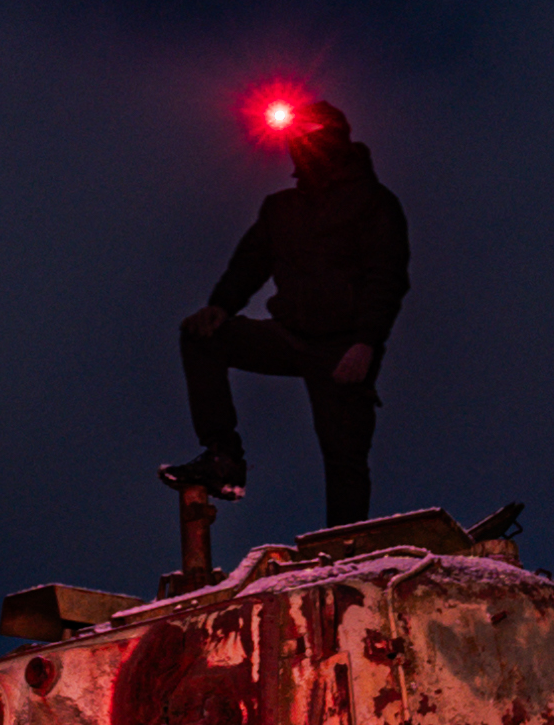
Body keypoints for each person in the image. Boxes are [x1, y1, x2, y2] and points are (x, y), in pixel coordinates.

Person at [172, 90, 410, 526]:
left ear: (332, 139)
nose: (297, 144)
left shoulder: (373, 203)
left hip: (342, 347)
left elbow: (386, 278)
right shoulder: (282, 208)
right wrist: (220, 307)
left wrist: (365, 343)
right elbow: (249, 264)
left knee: (345, 458)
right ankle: (224, 459)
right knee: (202, 337)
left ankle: (343, 551)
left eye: (307, 134)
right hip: (289, 334)